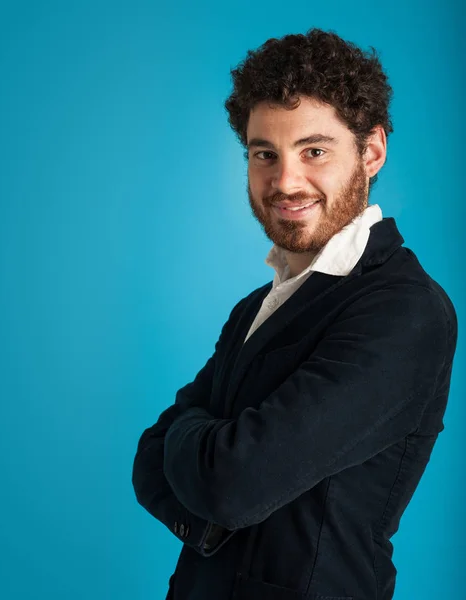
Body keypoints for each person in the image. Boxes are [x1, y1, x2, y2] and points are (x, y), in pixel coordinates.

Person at [131, 28, 458, 600]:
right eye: (264, 155)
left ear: (372, 150)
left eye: (314, 151)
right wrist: (198, 447)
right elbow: (147, 460)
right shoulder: (255, 307)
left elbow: (232, 483)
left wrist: (189, 437)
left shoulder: (405, 310)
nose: (285, 181)